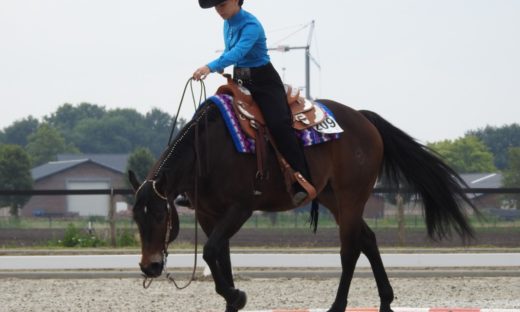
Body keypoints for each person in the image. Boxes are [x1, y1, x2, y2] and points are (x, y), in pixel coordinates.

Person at [193, 0, 314, 206]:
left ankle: (302, 179)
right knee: (217, 116)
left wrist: (210, 67)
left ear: (234, 1)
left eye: (221, 5)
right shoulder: (227, 23)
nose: (218, 11)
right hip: (241, 80)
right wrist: (222, 65)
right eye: (215, 7)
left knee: (278, 125)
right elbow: (230, 52)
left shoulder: (251, 26)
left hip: (264, 83)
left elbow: (237, 52)